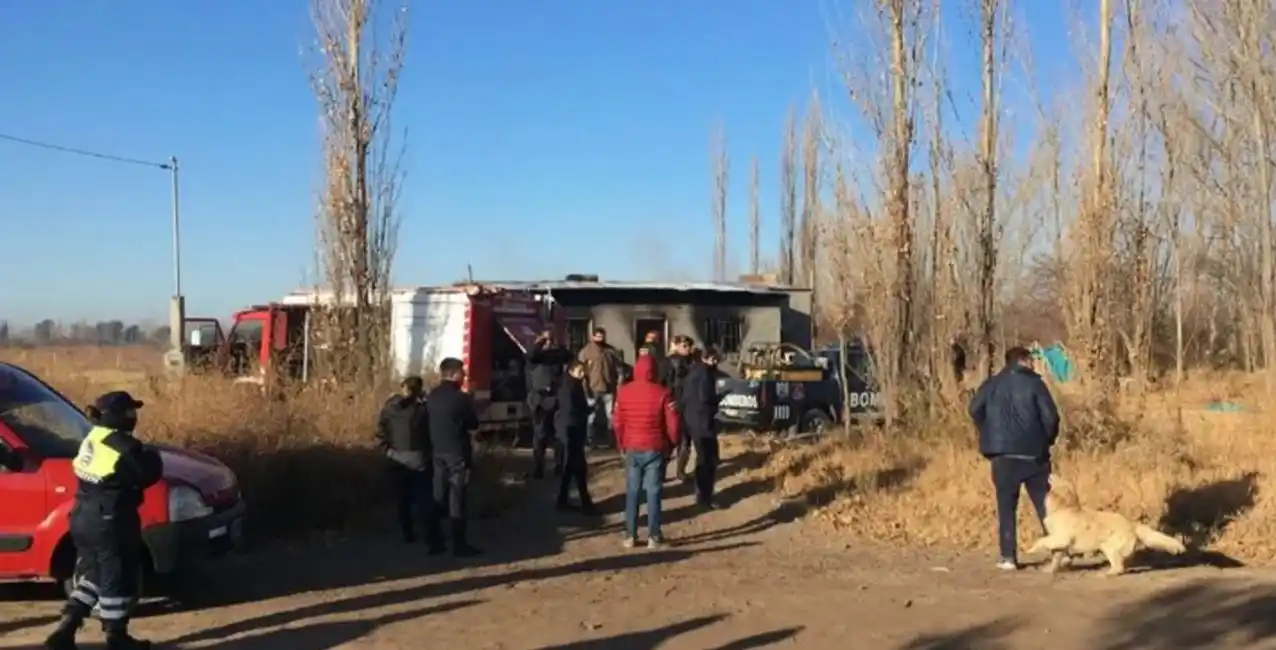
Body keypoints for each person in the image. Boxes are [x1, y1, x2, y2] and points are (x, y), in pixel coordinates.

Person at [45, 391, 162, 650]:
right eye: (130, 412)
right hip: (110, 518)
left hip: (82, 516)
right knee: (117, 575)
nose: (134, 417)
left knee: (91, 573)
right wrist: (152, 453)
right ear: (116, 416)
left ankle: (67, 625)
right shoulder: (123, 446)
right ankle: (116, 636)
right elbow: (149, 472)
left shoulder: (92, 437)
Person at [968, 345, 1061, 571]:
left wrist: (988, 430)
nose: (1033, 363)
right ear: (1023, 360)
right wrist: (1046, 440)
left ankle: (1008, 557)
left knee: (1006, 507)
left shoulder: (991, 384)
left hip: (1003, 456)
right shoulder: (1035, 384)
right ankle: (1059, 552)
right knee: (1046, 506)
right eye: (1030, 360)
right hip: (1034, 455)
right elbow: (1051, 418)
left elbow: (974, 409)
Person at [613, 355, 680, 549]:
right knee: (653, 492)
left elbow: (617, 423)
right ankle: (654, 536)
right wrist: (672, 444)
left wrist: (621, 444)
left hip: (632, 447)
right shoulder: (663, 393)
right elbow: (673, 424)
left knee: (632, 491)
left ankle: (630, 535)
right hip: (655, 447)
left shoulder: (623, 393)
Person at [426, 357, 483, 557]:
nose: (464, 376)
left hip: (437, 451)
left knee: (437, 497)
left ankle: (434, 542)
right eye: (462, 373)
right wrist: (472, 400)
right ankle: (459, 544)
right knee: (457, 499)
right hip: (457, 454)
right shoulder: (461, 398)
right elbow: (473, 424)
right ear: (454, 374)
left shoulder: (431, 396)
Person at [376, 376, 440, 547]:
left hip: (396, 457)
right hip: (418, 458)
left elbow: (381, 431)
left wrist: (387, 450)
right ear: (418, 390)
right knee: (423, 498)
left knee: (402, 499)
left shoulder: (390, 408)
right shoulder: (421, 410)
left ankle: (407, 533)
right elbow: (431, 431)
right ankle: (429, 534)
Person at [526, 329, 572, 479]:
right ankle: (539, 467)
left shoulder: (555, 356)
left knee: (559, 435)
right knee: (540, 436)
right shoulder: (535, 356)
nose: (548, 343)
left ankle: (559, 466)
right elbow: (532, 354)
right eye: (546, 341)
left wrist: (557, 344)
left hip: (555, 399)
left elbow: (568, 356)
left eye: (550, 340)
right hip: (539, 400)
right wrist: (541, 341)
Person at [683, 347, 723, 510]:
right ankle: (705, 497)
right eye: (715, 360)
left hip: (692, 421)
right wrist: (720, 398)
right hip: (704, 422)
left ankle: (701, 494)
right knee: (708, 461)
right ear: (709, 358)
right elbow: (706, 398)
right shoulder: (706, 374)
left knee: (702, 458)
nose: (716, 364)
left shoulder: (692, 372)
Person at [555, 360, 597, 514]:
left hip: (572, 431)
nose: (583, 374)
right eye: (580, 371)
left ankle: (563, 499)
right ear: (571, 371)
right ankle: (584, 504)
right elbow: (572, 409)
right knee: (577, 467)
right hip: (571, 431)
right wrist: (588, 410)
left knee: (571, 467)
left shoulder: (572, 384)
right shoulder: (570, 387)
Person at [577, 327, 621, 448]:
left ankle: (612, 440)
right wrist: (585, 389)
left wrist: (617, 382)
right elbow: (581, 371)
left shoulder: (610, 351)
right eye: (597, 336)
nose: (600, 339)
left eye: (602, 337)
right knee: (591, 416)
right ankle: (590, 440)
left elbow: (618, 367)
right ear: (593, 337)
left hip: (609, 388)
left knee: (611, 416)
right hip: (592, 388)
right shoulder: (586, 351)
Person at [664, 336, 695, 483]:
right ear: (676, 345)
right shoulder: (674, 362)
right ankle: (680, 473)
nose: (687, 348)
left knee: (675, 440)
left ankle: (672, 472)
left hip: (680, 404)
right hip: (678, 403)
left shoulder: (688, 361)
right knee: (680, 440)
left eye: (689, 346)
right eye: (684, 345)